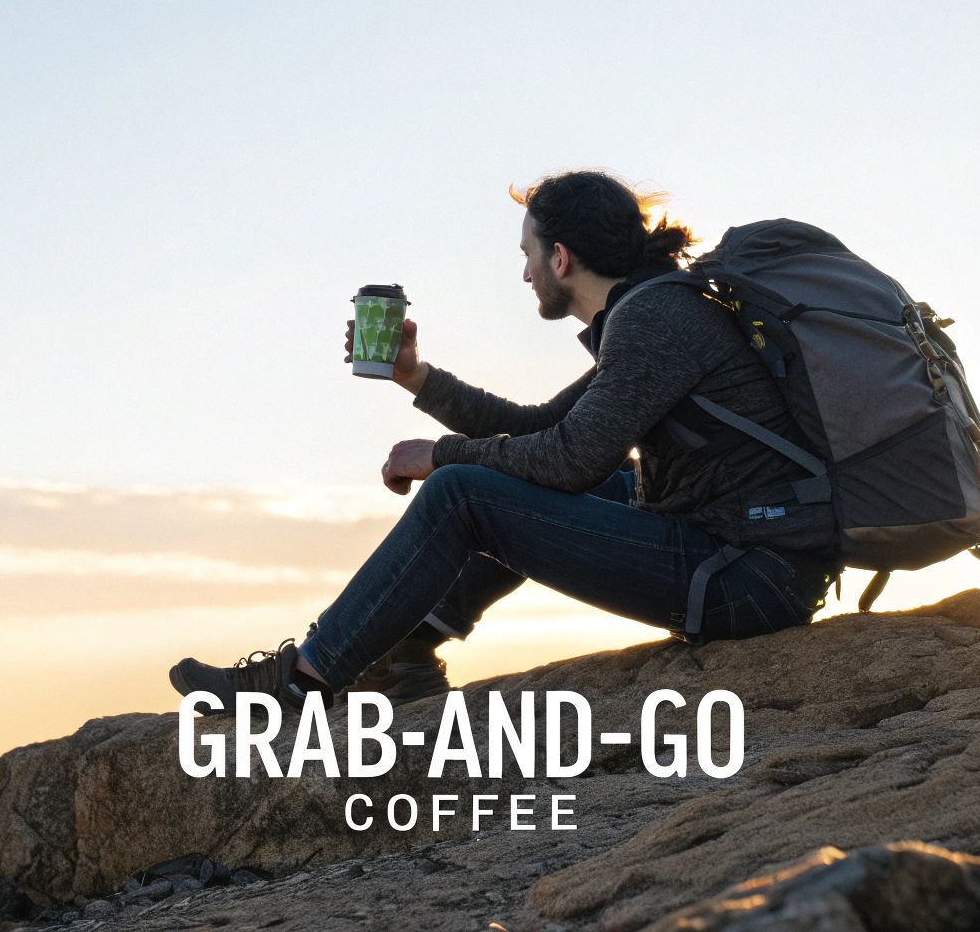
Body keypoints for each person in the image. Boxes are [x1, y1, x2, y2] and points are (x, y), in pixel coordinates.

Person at [169, 170, 834, 712]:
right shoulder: (657, 309)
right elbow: (544, 426)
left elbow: (566, 461)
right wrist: (416, 377)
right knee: (574, 481)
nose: (525, 276)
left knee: (464, 492)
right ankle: (405, 656)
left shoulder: (655, 319)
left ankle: (300, 682)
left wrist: (440, 458)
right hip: (756, 559)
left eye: (528, 256)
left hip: (745, 578)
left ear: (561, 258)